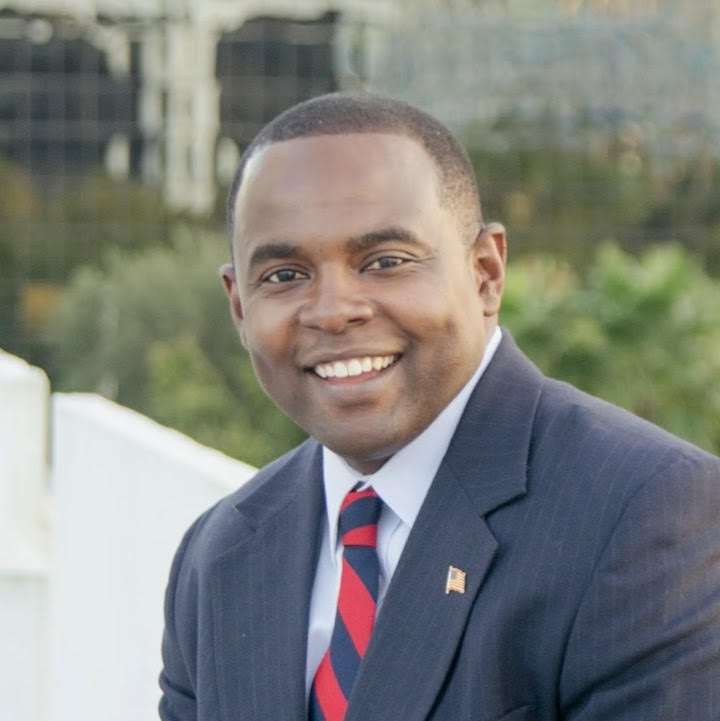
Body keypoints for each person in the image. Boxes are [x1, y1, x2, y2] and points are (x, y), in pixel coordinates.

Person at [158, 93, 720, 721]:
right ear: (239, 305)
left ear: (485, 272)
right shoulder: (220, 556)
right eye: (285, 276)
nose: (334, 310)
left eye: (386, 262)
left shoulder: (647, 513)